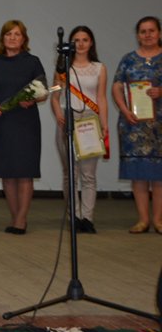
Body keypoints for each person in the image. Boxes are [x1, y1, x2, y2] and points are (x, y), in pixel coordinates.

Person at [0, 20, 47, 235]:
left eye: (17, 34)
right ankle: (15, 218)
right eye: (8, 34)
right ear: (2, 38)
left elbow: (43, 91)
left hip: (26, 123)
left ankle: (21, 219)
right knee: (7, 173)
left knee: (24, 172)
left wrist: (33, 99)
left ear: (24, 39)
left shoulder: (32, 62)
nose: (12, 38)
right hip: (2, 123)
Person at [50, 26, 108, 234]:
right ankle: (73, 216)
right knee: (70, 174)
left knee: (88, 174)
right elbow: (54, 93)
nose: (81, 44)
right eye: (76, 40)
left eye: (85, 39)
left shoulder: (99, 68)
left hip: (90, 121)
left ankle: (87, 218)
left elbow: (101, 97)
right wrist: (58, 112)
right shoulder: (62, 67)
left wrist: (104, 123)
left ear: (91, 43)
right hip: (68, 119)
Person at [112, 16, 162, 234]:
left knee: (159, 175)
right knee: (138, 174)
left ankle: (159, 220)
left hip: (159, 126)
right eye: (143, 31)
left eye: (151, 30)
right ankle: (143, 220)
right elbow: (116, 87)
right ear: (137, 35)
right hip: (133, 125)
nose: (147, 35)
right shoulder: (128, 59)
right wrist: (124, 110)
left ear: (159, 33)